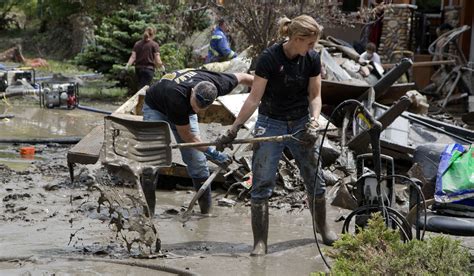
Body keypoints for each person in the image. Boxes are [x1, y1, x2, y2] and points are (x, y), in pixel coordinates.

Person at [215, 15, 338, 256]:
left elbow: (315, 96)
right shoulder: (269, 58)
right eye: (310, 43)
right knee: (262, 183)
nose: (313, 48)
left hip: (302, 122)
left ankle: (323, 229)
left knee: (315, 178)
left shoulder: (312, 58)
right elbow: (254, 98)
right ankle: (260, 242)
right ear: (297, 38)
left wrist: (314, 122)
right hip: (271, 122)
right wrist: (234, 128)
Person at [142, 68, 253, 215]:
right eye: (195, 104)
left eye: (202, 108)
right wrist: (213, 153)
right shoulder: (177, 98)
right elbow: (188, 138)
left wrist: (268, 87)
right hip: (156, 106)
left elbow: (244, 77)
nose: (197, 109)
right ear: (193, 90)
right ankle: (148, 216)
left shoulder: (220, 83)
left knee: (197, 162)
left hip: (183, 109)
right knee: (151, 161)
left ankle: (205, 214)